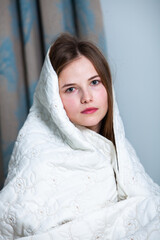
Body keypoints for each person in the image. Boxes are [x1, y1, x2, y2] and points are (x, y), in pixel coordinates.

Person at [0, 33, 160, 240]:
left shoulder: (120, 148)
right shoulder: (40, 158)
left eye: (94, 82)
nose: (87, 97)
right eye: (71, 89)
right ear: (53, 100)